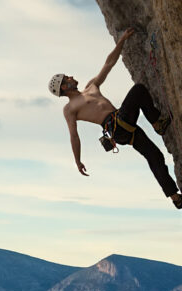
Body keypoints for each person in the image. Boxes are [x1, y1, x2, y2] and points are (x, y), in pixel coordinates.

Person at [48, 27, 181, 209]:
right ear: (64, 87)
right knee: (138, 90)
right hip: (116, 125)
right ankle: (158, 123)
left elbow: (109, 63)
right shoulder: (69, 108)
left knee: (154, 156)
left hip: (122, 124)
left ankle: (175, 198)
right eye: (67, 78)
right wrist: (77, 160)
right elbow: (74, 135)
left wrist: (122, 40)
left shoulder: (91, 86)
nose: (71, 77)